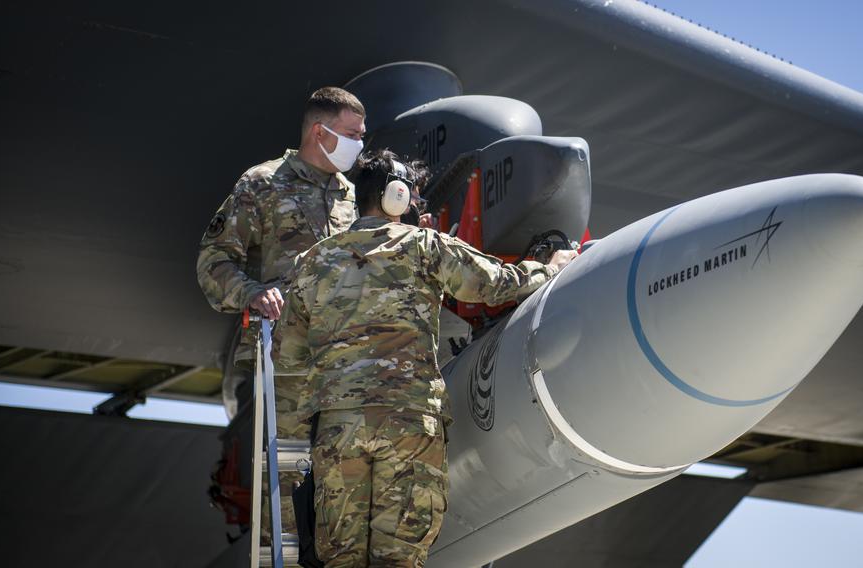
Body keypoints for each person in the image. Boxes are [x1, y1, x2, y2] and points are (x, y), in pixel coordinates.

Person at [273, 149, 577, 567]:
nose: (416, 206)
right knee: (399, 557)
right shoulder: (423, 246)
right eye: (412, 196)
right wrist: (549, 268)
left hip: (338, 431)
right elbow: (493, 285)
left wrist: (295, 452)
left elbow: (287, 363)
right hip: (408, 425)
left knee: (341, 559)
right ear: (394, 195)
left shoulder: (313, 262)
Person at [196, 86, 366, 539]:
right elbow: (212, 263)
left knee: (348, 477)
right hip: (286, 358)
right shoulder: (263, 182)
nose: (360, 143)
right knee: (288, 475)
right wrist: (252, 293)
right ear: (320, 131)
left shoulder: (350, 194)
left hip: (347, 362)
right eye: (352, 133)